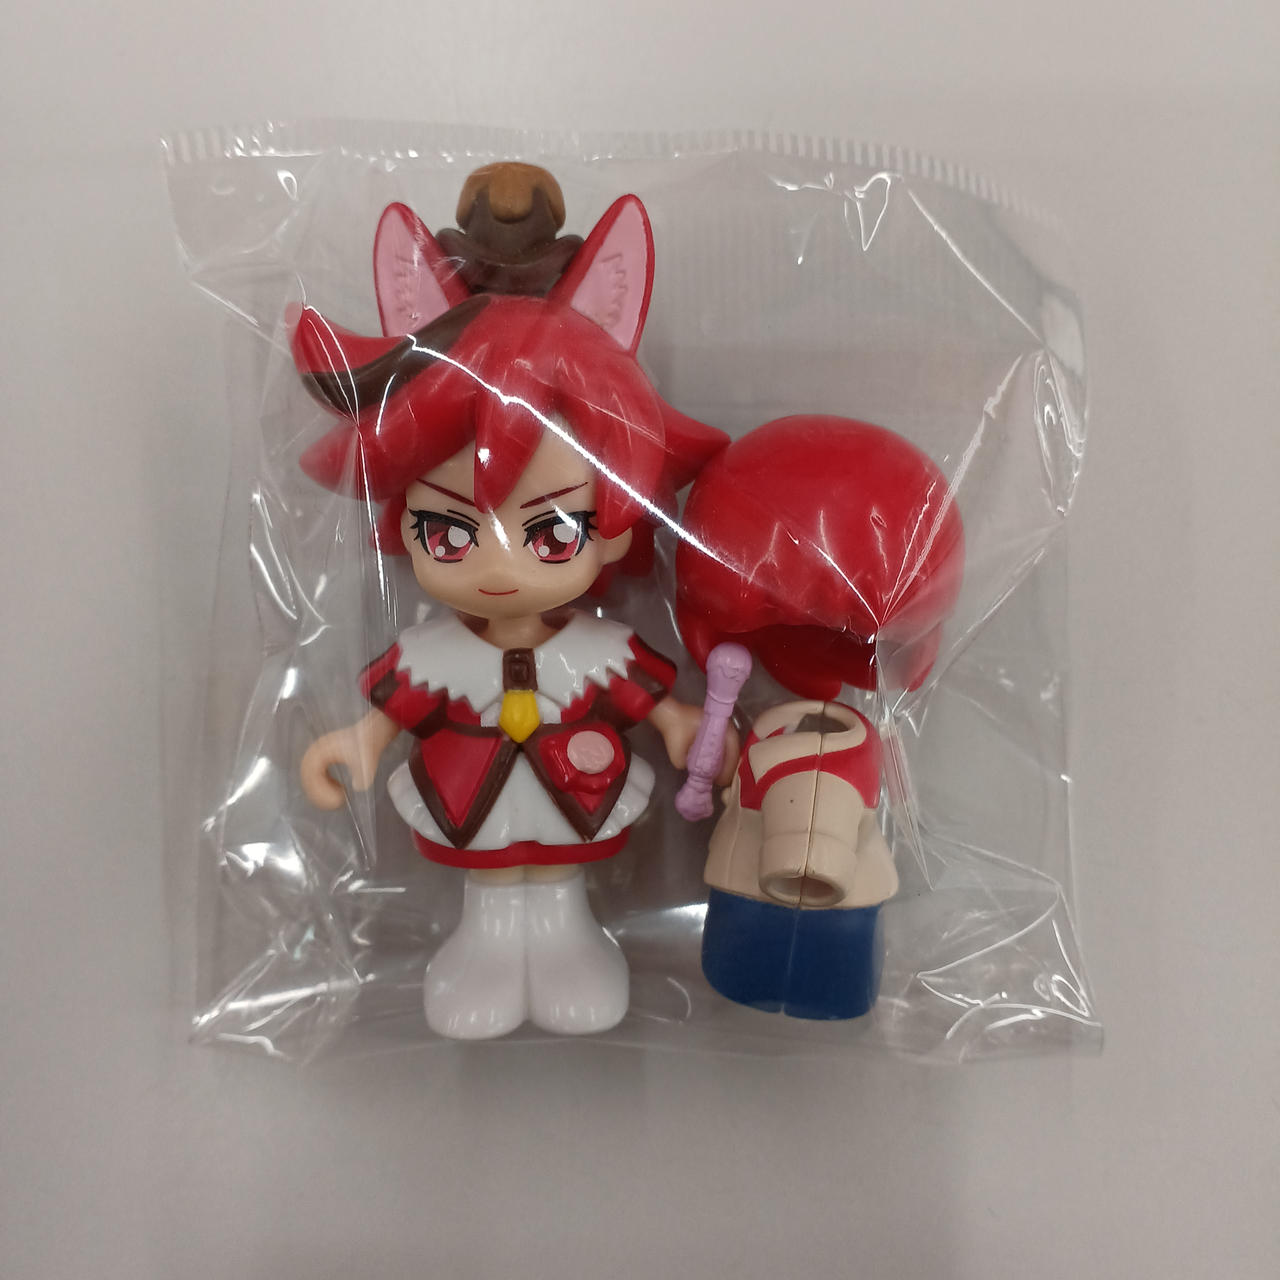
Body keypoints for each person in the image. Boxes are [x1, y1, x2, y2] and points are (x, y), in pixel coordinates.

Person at [292, 190, 730, 1039]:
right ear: (404, 525)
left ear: (613, 530)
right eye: (450, 531)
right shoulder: (433, 652)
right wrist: (359, 742)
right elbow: (396, 709)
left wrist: (683, 724)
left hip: (574, 787)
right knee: (491, 883)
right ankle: (487, 951)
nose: (498, 565)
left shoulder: (597, 647)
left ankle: (567, 948)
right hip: (468, 790)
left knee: (557, 884)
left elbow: (647, 699)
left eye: (552, 531)